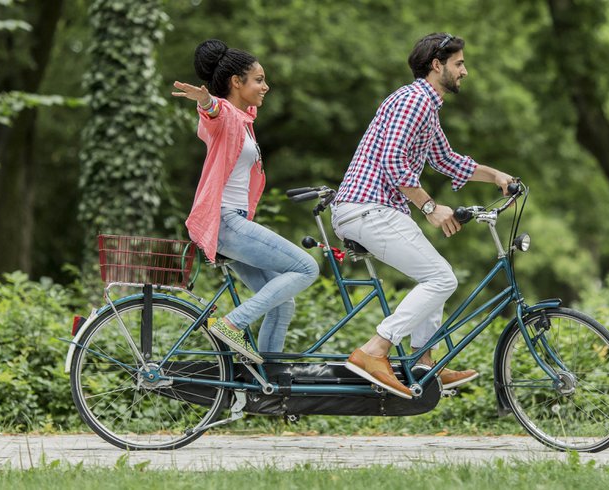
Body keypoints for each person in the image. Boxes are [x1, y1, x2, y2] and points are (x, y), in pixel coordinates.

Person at [331, 33, 515, 398]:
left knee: (435, 275)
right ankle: (375, 349)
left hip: (378, 208)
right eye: (459, 63)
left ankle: (424, 363)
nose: (465, 71)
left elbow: (445, 159)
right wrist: (430, 207)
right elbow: (394, 160)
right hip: (367, 206)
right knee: (441, 279)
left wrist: (495, 175)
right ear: (437, 65)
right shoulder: (414, 100)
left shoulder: (426, 105)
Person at [172, 39, 319, 363]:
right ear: (236, 82)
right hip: (227, 221)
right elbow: (214, 111)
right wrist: (208, 100)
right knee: (307, 268)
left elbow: (236, 113)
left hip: (235, 223)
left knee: (283, 303)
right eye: (258, 79)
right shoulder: (224, 115)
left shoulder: (242, 121)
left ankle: (268, 385)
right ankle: (231, 324)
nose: (265, 86)